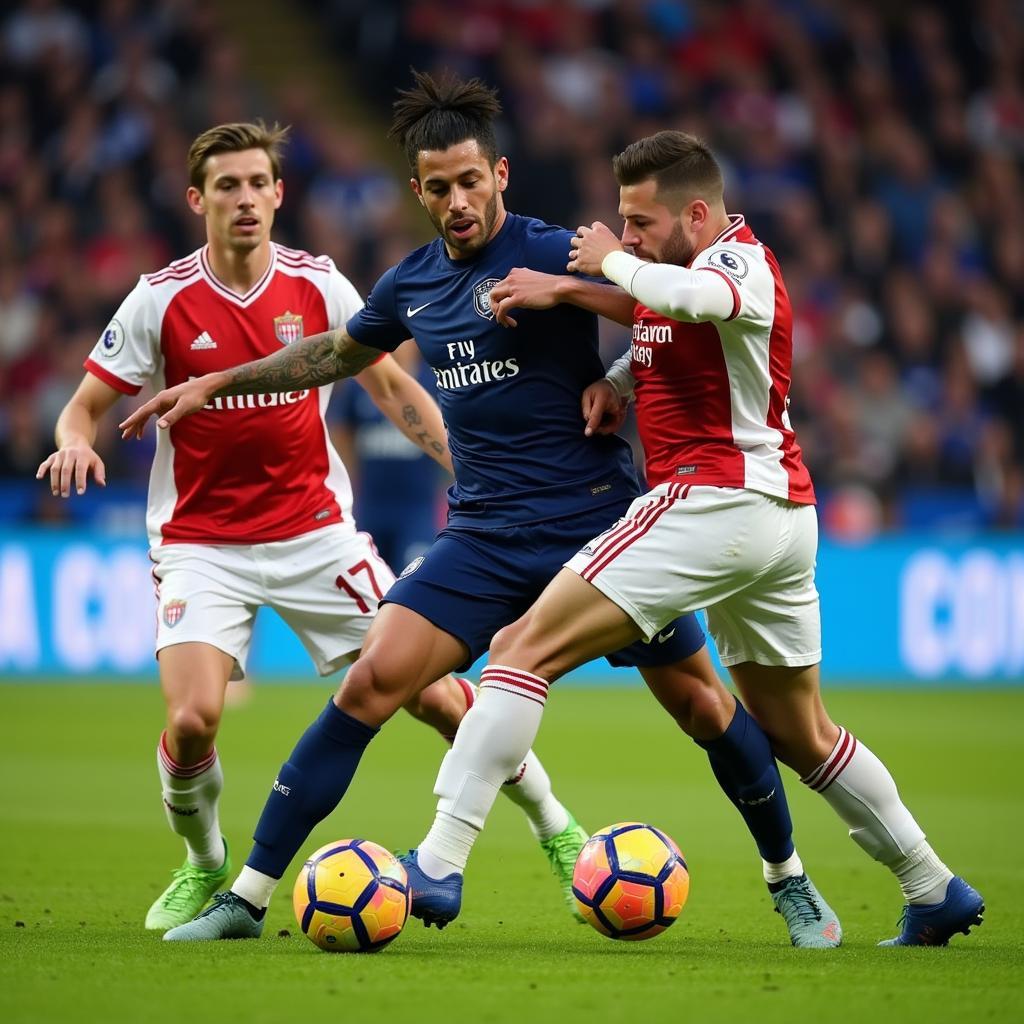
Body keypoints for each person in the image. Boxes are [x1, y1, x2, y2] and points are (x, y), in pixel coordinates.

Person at [120, 75, 839, 948]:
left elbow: (658, 306)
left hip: (596, 527)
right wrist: (220, 380)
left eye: (471, 181)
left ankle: (790, 882)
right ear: (418, 191)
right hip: (483, 536)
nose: (458, 202)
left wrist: (576, 302)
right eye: (439, 187)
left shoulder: (558, 249)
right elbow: (335, 355)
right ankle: (248, 894)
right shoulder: (411, 282)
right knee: (369, 684)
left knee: (703, 707)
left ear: (499, 175)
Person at [419, 129, 984, 947]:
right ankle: (934, 887)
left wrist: (604, 262)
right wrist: (618, 382)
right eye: (622, 220)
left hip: (713, 504)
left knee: (516, 650)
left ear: (696, 213)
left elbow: (691, 305)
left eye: (642, 223)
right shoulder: (686, 266)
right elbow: (672, 338)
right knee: (801, 731)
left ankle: (439, 861)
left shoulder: (739, 261)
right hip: (776, 521)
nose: (629, 234)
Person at [36, 119, 592, 933]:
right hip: (202, 544)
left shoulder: (320, 285)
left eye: (258, 183)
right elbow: (81, 409)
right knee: (192, 722)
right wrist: (72, 446)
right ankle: (203, 863)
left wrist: (465, 469)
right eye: (227, 186)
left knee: (437, 696)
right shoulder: (160, 299)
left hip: (317, 537)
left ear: (278, 193)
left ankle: (555, 826)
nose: (246, 200)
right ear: (200, 200)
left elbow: (397, 393)